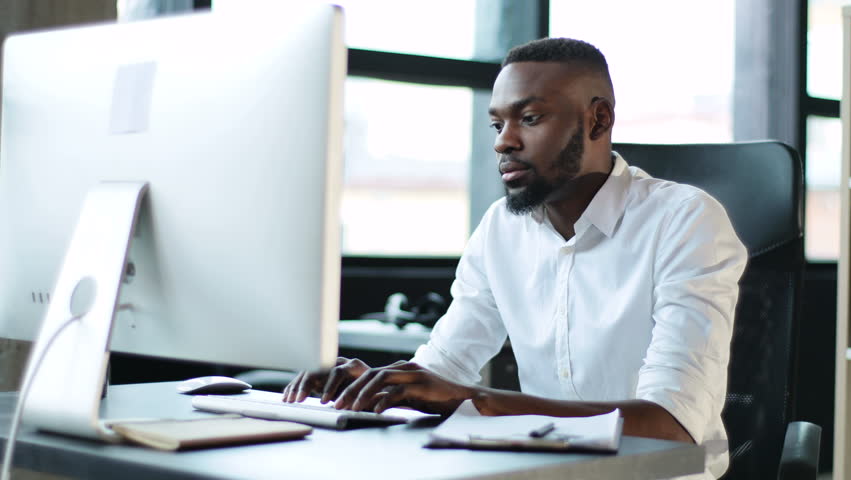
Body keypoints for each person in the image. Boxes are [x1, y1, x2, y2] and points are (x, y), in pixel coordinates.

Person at [283, 37, 746, 480]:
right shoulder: (500, 229)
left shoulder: (685, 221)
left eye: (529, 118)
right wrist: (385, 385)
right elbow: (444, 370)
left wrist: (475, 400)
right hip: (537, 471)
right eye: (496, 124)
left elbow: (672, 427)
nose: (504, 142)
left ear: (598, 121)